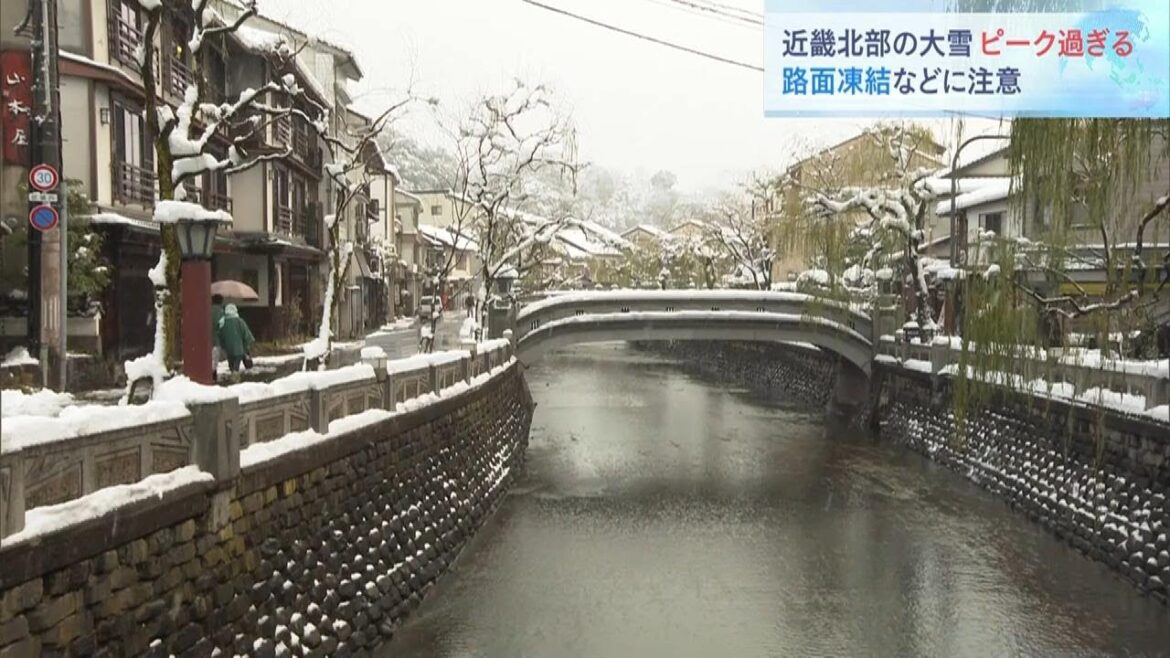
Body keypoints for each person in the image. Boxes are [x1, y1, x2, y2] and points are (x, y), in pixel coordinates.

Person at [216, 304, 255, 374]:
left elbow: (219, 335)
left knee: (231, 366)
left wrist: (223, 346)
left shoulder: (223, 322)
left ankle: (232, 378)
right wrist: (247, 346)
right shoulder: (240, 321)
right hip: (239, 350)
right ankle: (235, 378)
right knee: (236, 368)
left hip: (228, 350)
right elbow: (246, 335)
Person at [211, 294, 225, 381]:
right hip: (217, 340)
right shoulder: (221, 312)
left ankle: (211, 374)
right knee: (214, 360)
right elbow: (222, 326)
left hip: (208, 339)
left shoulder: (207, 310)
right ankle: (213, 375)